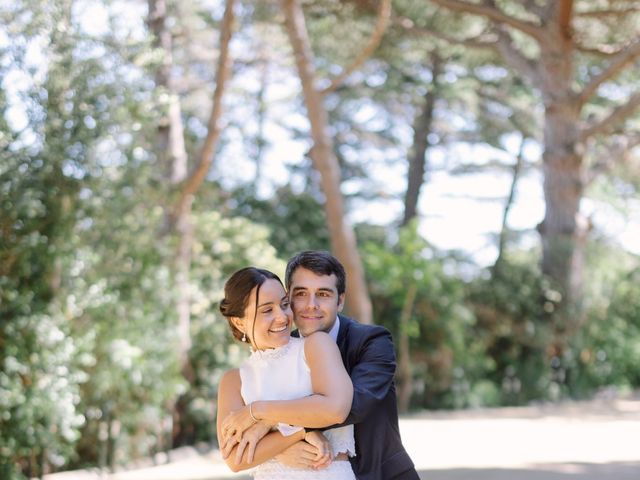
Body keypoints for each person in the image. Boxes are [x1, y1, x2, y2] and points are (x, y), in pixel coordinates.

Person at [226, 251, 420, 480]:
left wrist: (266, 420)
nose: (311, 305)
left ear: (340, 301)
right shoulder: (280, 349)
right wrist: (280, 449)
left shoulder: (372, 341)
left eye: (323, 294)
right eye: (300, 294)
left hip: (382, 474)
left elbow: (350, 405)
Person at [216, 266, 357, 479]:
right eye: (266, 310)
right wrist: (298, 434)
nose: (282, 317)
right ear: (239, 321)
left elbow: (335, 409)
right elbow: (235, 458)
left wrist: (258, 414)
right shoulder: (234, 380)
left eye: (284, 304)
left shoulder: (315, 346)